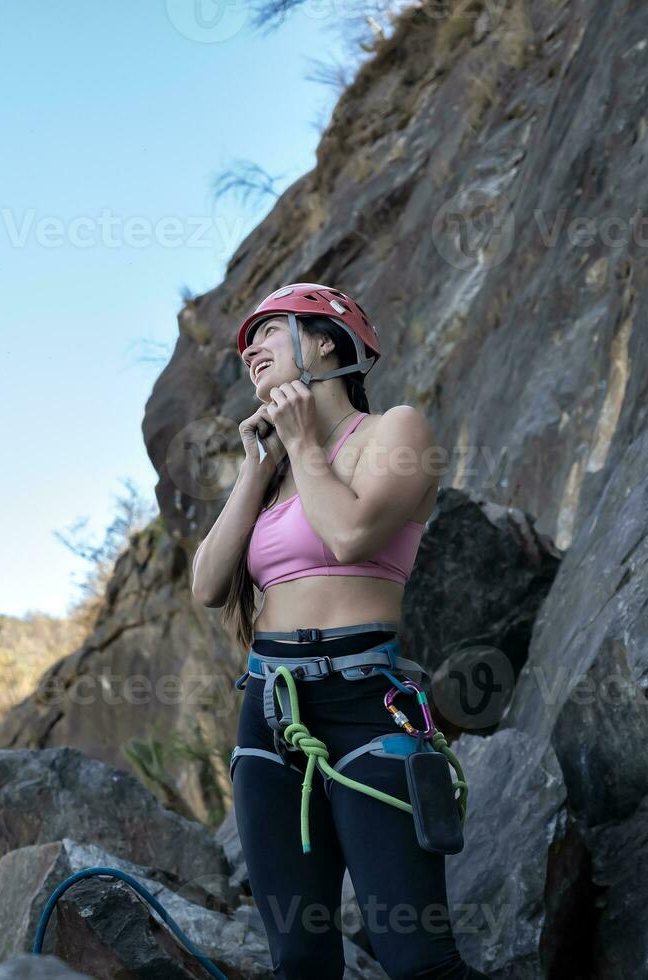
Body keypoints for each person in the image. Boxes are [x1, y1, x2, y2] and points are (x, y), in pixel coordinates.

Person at [190, 283, 491, 979]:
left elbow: (351, 534)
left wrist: (300, 445)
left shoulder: (395, 432)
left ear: (326, 339)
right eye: (247, 346)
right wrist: (256, 468)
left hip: (367, 707)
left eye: (269, 332)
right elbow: (208, 584)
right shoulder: (278, 471)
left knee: (417, 960)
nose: (251, 351)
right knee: (299, 956)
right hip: (269, 711)